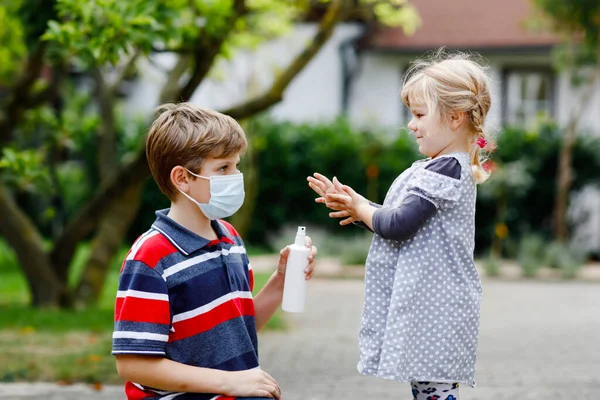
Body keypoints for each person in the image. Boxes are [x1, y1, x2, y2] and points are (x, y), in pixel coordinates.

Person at [308, 52, 494, 400]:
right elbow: (405, 223)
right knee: (428, 390)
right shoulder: (442, 167)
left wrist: (364, 209)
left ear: (455, 118)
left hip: (437, 309)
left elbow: (398, 225)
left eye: (420, 114)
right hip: (434, 306)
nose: (411, 124)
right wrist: (359, 209)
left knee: (433, 391)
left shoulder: (446, 169)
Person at [112, 103, 317, 400]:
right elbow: (132, 364)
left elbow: (237, 331)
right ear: (182, 178)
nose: (236, 176)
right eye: (223, 168)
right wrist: (229, 383)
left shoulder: (230, 239)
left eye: (236, 165)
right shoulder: (151, 257)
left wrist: (281, 281)